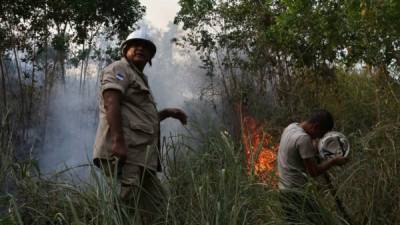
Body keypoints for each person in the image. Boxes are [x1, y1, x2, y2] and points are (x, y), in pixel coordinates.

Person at [93, 29, 187, 224]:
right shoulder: (120, 69)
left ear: (151, 57)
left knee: (157, 205)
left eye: (146, 47)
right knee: (125, 205)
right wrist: (118, 142)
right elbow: (111, 102)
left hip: (143, 156)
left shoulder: (139, 78)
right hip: (128, 152)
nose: (140, 48)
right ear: (125, 49)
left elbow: (139, 119)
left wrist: (166, 113)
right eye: (135, 44)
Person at [277, 109, 348, 224]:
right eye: (320, 134)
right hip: (297, 194)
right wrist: (334, 161)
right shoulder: (303, 139)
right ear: (315, 126)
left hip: (284, 191)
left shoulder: (291, 127)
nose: (318, 138)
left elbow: (301, 152)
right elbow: (313, 172)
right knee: (319, 221)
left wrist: (316, 147)